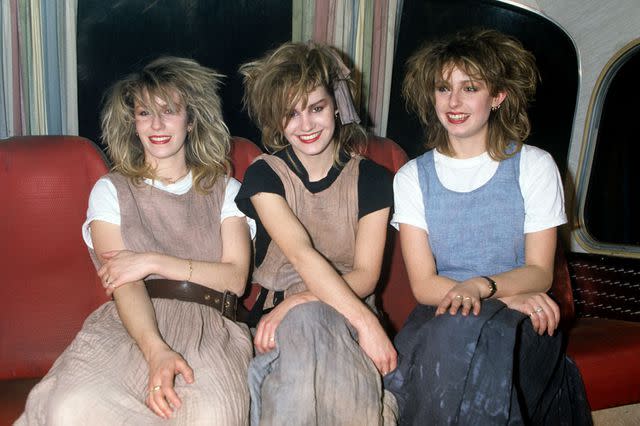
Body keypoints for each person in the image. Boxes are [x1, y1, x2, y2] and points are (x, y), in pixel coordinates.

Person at [17, 57, 254, 425]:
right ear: (133, 122)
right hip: (131, 323)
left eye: (170, 111)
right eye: (144, 113)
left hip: (211, 327)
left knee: (211, 416)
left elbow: (235, 279)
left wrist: (152, 261)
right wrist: (156, 350)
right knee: (73, 406)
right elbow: (123, 283)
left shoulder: (227, 190)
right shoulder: (110, 191)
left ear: (191, 121)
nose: (156, 125)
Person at [384, 29, 592, 424]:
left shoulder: (535, 166)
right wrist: (495, 298)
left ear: (498, 96)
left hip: (524, 322)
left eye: (470, 87)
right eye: (443, 88)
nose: (454, 101)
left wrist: (482, 290)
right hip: (442, 314)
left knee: (466, 342)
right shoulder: (412, 176)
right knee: (455, 335)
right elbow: (425, 286)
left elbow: (539, 273)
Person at [235, 42, 398, 425]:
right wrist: (366, 322)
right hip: (281, 321)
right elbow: (301, 254)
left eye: (316, 108)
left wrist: (309, 304)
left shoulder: (373, 179)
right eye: (290, 114)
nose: (305, 125)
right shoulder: (264, 174)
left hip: (348, 314)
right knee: (307, 332)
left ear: (337, 105)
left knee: (314, 325)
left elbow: (366, 276)